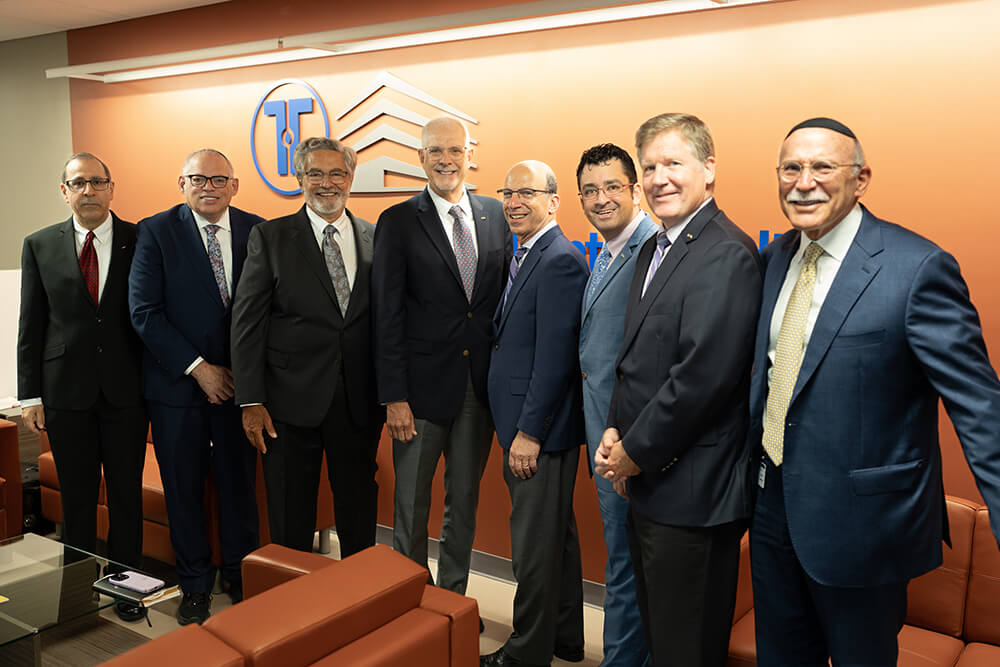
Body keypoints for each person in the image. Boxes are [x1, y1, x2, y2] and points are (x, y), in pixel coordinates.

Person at [748, 117, 1000, 666]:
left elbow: (980, 411)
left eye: (822, 167)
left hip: (861, 527)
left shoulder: (916, 268)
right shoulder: (776, 260)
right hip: (772, 510)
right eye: (791, 168)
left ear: (860, 179)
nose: (803, 182)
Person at [595, 113, 762, 667]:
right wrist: (616, 428)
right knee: (661, 639)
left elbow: (701, 378)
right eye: (649, 167)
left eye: (674, 163)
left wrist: (630, 455)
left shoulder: (726, 253)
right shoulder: (653, 249)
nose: (659, 178)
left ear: (708, 169)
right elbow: (636, 363)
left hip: (692, 496)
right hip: (650, 486)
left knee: (686, 650)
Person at [372, 117, 511, 597]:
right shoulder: (397, 221)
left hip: (478, 387)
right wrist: (394, 395)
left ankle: (450, 599)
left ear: (470, 154)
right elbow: (386, 316)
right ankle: (411, 599)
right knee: (410, 504)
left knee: (464, 502)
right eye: (435, 151)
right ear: (421, 158)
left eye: (454, 150)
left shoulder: (496, 214)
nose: (446, 160)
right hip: (418, 393)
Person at [128, 149, 263, 624]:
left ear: (235, 185)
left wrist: (245, 379)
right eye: (198, 178)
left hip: (242, 390)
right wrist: (199, 368)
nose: (209, 186)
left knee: (238, 486)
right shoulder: (156, 231)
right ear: (181, 183)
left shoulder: (257, 229)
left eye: (219, 178)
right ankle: (195, 585)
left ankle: (242, 576)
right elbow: (144, 311)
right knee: (183, 490)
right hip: (177, 389)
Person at [231, 137, 382, 559]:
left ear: (350, 178)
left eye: (336, 173)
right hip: (287, 405)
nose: (326, 183)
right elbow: (247, 325)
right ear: (300, 179)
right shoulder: (271, 237)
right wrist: (251, 400)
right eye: (315, 173)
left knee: (357, 508)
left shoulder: (375, 236)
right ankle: (290, 607)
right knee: (290, 512)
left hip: (358, 402)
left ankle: (360, 594)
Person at [17, 153, 148, 622]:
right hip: (64, 393)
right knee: (76, 500)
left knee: (126, 496)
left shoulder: (141, 238)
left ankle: (129, 591)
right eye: (79, 183)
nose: (88, 191)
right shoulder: (39, 244)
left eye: (97, 182)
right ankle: (77, 596)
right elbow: (30, 325)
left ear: (112, 188)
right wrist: (30, 395)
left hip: (128, 391)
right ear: (64, 191)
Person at [483, 160, 588, 667]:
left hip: (537, 432)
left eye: (526, 192)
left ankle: (525, 655)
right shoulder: (524, 253)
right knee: (555, 539)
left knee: (533, 547)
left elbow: (554, 358)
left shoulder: (559, 260)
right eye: (508, 192)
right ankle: (565, 638)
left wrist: (528, 432)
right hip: (529, 426)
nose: (514, 202)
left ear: (554, 200)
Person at [575, 143, 655, 667]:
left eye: (611, 187)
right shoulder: (605, 249)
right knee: (624, 558)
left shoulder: (653, 248)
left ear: (634, 188)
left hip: (626, 441)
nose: (600, 199)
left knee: (627, 564)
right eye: (589, 190)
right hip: (605, 434)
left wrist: (626, 441)